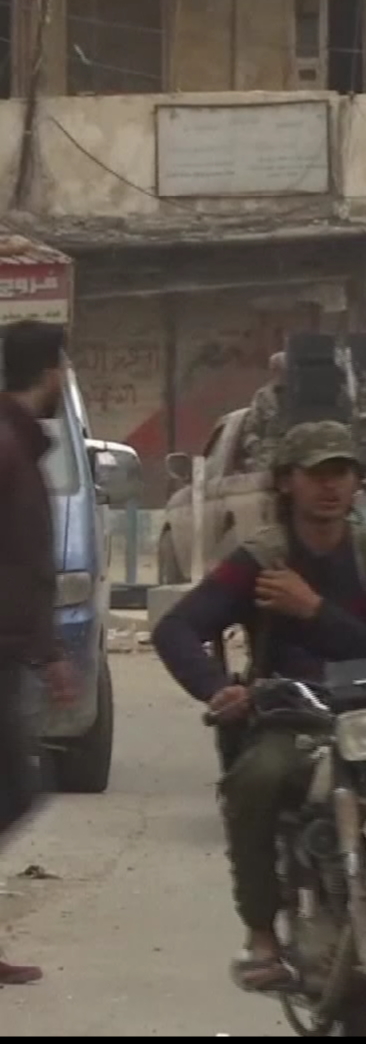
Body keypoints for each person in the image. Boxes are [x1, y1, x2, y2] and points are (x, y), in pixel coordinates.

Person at [150, 421, 366, 993]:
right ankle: (262, 938)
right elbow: (176, 629)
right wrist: (219, 689)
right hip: (291, 716)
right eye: (314, 473)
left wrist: (313, 609)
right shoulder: (261, 558)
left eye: (340, 472)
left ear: (357, 482)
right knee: (256, 782)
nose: (329, 486)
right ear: (287, 482)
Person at [0, 319, 78, 986]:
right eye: (65, 368)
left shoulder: (18, 447)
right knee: (14, 788)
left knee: (13, 788)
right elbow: (26, 568)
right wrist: (48, 651)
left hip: (11, 648)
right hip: (3, 650)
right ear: (51, 370)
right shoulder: (6, 450)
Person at [240, 353, 288, 472]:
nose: (282, 374)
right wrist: (257, 450)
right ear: (273, 371)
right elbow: (249, 432)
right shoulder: (263, 397)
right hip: (270, 461)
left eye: (285, 369)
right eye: (278, 369)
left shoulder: (302, 395)